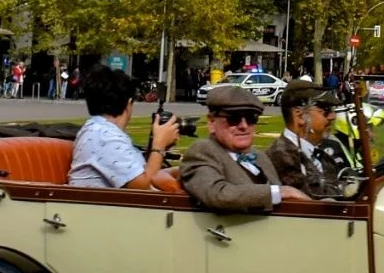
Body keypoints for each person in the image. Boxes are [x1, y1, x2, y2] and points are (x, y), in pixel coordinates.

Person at [180, 83, 309, 212]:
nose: (244, 126)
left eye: (251, 118)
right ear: (211, 122)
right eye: (233, 119)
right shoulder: (202, 151)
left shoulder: (259, 156)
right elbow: (218, 194)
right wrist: (278, 192)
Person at [68, 66, 181, 191]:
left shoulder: (96, 131)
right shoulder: (105, 137)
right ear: (128, 103)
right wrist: (159, 145)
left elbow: (140, 172)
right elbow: (145, 187)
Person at [267, 81, 354, 199]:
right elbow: (318, 203)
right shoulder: (282, 156)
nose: (333, 116)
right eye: (326, 110)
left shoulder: (323, 149)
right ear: (300, 116)